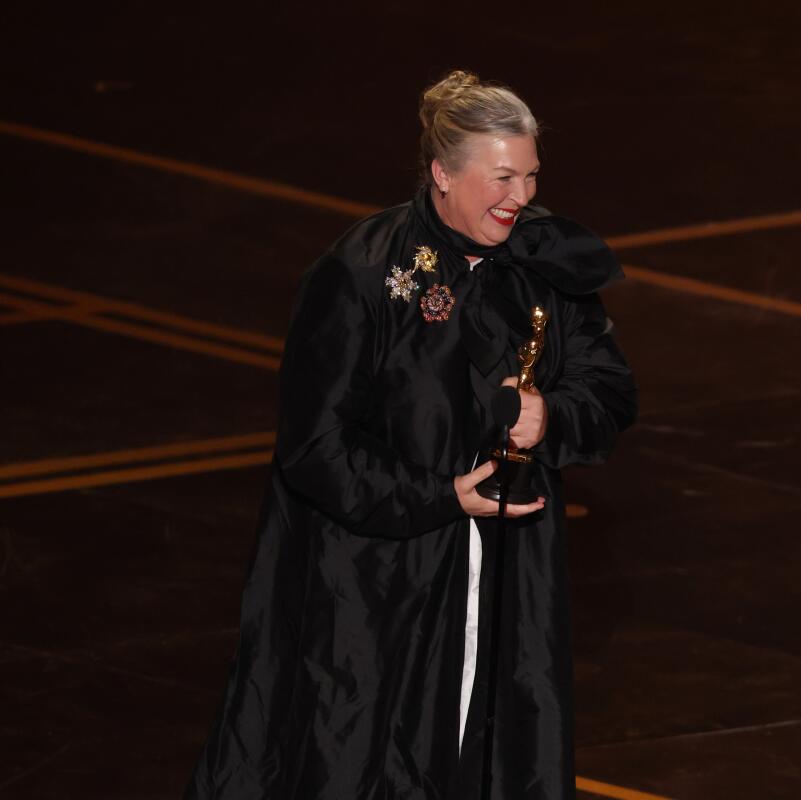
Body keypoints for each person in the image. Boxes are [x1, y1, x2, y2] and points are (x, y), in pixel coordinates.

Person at [185, 70, 637, 799]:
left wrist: (549, 415)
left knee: (491, 743)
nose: (520, 196)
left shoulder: (544, 262)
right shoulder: (362, 272)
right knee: (362, 756)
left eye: (530, 176)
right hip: (374, 579)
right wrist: (441, 496)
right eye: (502, 177)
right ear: (441, 173)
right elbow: (315, 446)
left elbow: (609, 390)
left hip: (509, 572)